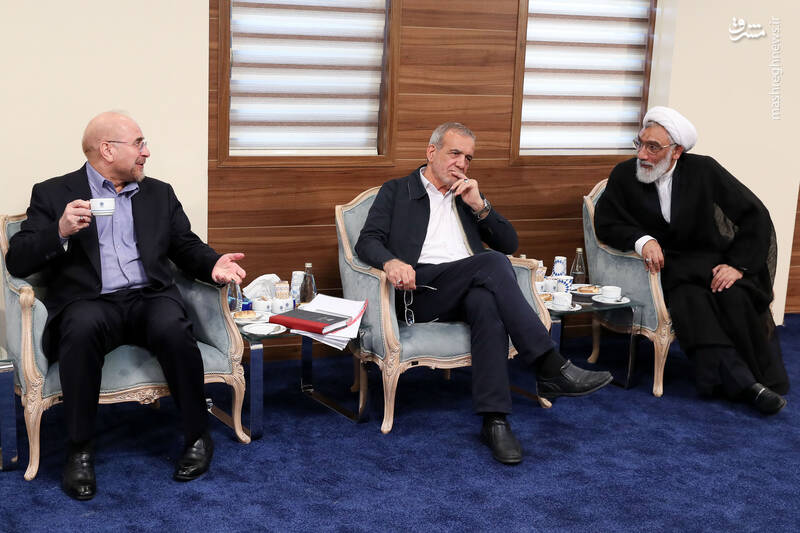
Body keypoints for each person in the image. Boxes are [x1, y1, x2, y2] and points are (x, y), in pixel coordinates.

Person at [5, 111, 246, 500]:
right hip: (90, 301)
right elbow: (17, 261)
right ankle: (79, 451)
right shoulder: (52, 193)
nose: (146, 152)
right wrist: (60, 230)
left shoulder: (159, 194)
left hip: (148, 297)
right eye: (138, 144)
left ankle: (198, 436)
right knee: (80, 329)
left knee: (173, 326)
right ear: (107, 150)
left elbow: (185, 245)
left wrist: (213, 263)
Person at [355, 122, 612, 465]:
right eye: (455, 153)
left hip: (467, 286)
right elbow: (367, 241)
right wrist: (392, 263)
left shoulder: (466, 197)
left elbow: (509, 243)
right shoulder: (397, 191)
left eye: (468, 158)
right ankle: (549, 364)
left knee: (486, 302)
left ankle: (495, 421)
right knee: (491, 263)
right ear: (431, 152)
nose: (462, 163)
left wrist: (479, 205)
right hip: (419, 292)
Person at [594, 106, 789, 414]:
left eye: (653, 147)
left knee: (735, 295)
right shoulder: (624, 175)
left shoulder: (704, 170)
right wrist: (643, 240)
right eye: (640, 143)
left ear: (676, 151)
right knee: (691, 301)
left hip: (711, 262)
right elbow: (606, 222)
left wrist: (737, 265)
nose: (642, 154)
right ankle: (748, 387)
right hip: (668, 268)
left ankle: (755, 378)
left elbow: (754, 214)